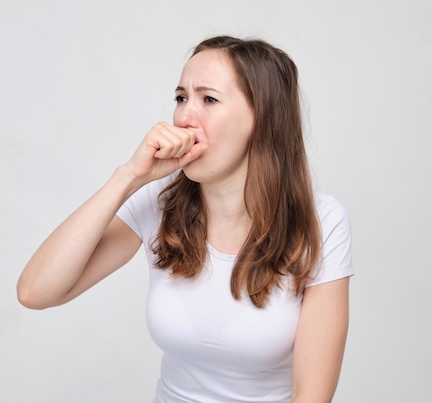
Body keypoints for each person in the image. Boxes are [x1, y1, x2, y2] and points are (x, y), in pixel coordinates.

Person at [17, 35, 353, 403]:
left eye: (208, 99)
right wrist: (128, 177)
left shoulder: (321, 221)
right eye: (181, 98)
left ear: (262, 118)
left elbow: (312, 396)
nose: (184, 117)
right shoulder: (158, 200)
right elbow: (36, 292)